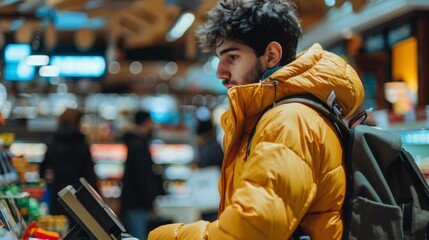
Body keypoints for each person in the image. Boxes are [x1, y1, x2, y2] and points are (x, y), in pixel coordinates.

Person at [148, 0, 365, 239]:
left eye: (232, 57)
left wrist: (163, 236)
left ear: (271, 55)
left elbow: (252, 229)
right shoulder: (281, 115)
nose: (220, 72)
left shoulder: (289, 120)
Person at [39, 108, 98, 225]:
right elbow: (90, 174)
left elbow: (42, 171)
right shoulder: (82, 143)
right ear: (77, 123)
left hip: (58, 194)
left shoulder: (51, 141)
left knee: (58, 230)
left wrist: (50, 183)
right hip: (78, 197)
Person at [120, 110, 164, 240]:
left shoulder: (135, 142)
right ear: (145, 122)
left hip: (133, 204)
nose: (154, 125)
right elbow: (142, 179)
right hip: (138, 205)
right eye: (151, 122)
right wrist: (150, 204)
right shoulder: (139, 145)